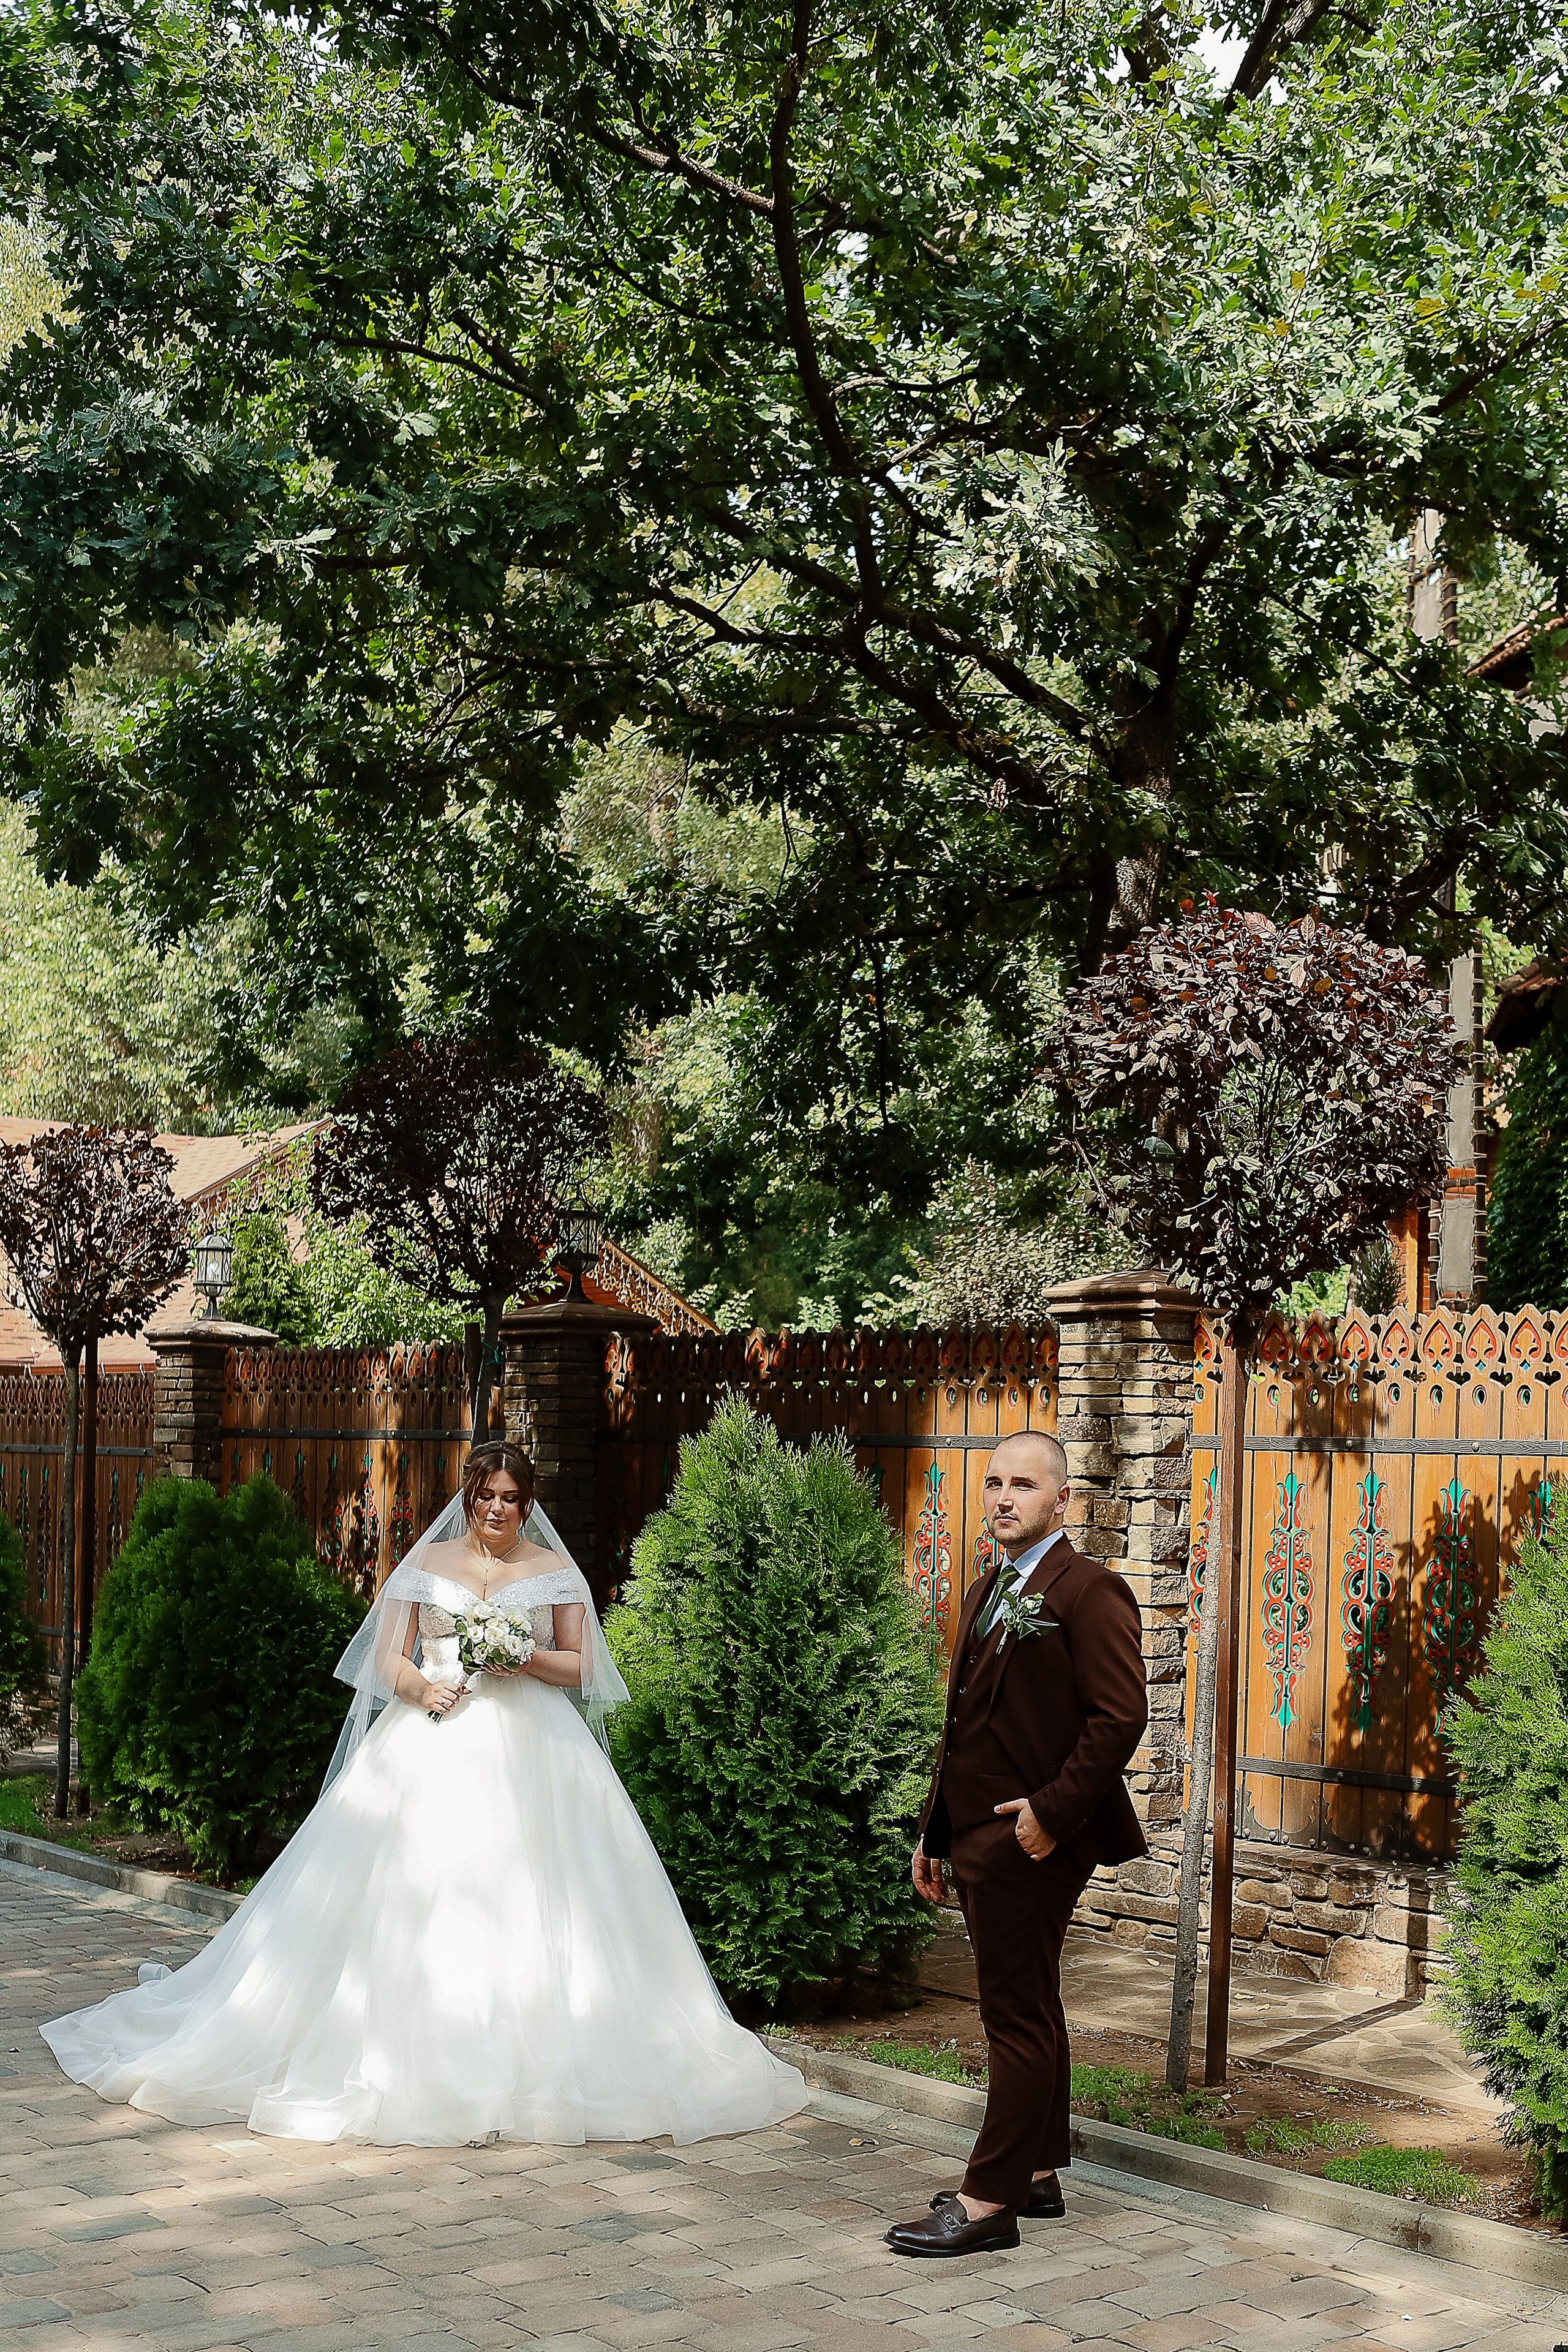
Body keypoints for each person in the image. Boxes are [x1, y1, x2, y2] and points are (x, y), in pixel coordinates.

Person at [42, 1441, 807, 2149]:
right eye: (484, 1496)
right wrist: (422, 1689)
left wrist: (521, 1654)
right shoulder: (426, 1561)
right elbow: (383, 1660)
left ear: (527, 1502)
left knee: (539, 1892)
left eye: (509, 1497)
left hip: (536, 1750)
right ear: (468, 1499)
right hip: (428, 1743)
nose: (496, 1509)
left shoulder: (555, 1571)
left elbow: (582, 1669)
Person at [884, 1430, 1148, 2257]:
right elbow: (963, 1727)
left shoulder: (1089, 1590)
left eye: (1024, 1485)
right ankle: (1035, 2172)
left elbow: (1120, 1719)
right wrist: (933, 1832)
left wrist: (1048, 1813)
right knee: (1030, 2003)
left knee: (1013, 2016)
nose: (1003, 1498)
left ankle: (988, 2198)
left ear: (1062, 1500)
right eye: (994, 1482)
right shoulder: (990, 1585)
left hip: (1033, 1841)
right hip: (976, 1837)